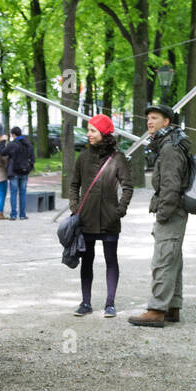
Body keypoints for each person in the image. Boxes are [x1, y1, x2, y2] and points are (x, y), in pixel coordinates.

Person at [128, 102, 191, 327]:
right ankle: (172, 307)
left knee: (163, 260)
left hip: (171, 212)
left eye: (155, 118)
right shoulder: (171, 143)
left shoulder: (170, 148)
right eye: (148, 118)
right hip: (175, 210)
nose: (149, 122)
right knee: (173, 259)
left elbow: (171, 186)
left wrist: (163, 214)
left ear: (167, 122)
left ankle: (156, 310)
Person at [68, 114, 133, 317]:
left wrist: (119, 210)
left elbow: (128, 187)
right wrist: (75, 207)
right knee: (86, 261)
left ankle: (110, 304)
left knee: (110, 259)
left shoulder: (118, 158)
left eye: (92, 130)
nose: (88, 134)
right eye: (88, 130)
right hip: (86, 218)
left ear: (104, 132)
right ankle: (85, 303)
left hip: (109, 220)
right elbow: (73, 185)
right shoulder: (83, 157)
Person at [0, 125, 35, 219]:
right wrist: (29, 168)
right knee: (23, 193)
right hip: (24, 171)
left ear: (13, 134)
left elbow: (2, 152)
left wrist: (2, 141)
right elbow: (32, 158)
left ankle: (13, 214)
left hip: (14, 172)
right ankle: (22, 215)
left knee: (13, 193)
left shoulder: (12, 144)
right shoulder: (28, 144)